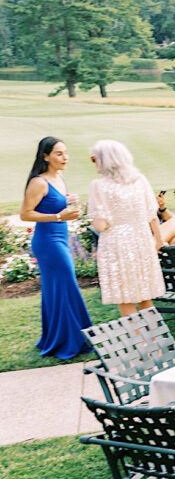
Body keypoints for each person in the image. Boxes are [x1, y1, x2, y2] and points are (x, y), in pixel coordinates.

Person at [20, 137, 91, 359]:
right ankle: (69, 340)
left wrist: (71, 204)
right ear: (46, 156)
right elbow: (25, 214)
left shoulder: (59, 177)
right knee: (65, 285)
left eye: (65, 153)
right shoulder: (38, 182)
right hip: (48, 242)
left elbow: (58, 206)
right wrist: (59, 215)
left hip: (61, 238)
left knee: (61, 288)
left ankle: (66, 337)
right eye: (59, 154)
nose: (65, 157)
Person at [86, 139, 164, 318]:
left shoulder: (98, 186)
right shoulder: (140, 180)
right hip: (141, 239)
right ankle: (155, 340)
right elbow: (152, 214)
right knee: (145, 295)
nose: (94, 163)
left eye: (94, 159)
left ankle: (139, 341)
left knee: (125, 298)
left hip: (117, 244)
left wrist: (91, 218)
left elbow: (101, 224)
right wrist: (158, 240)